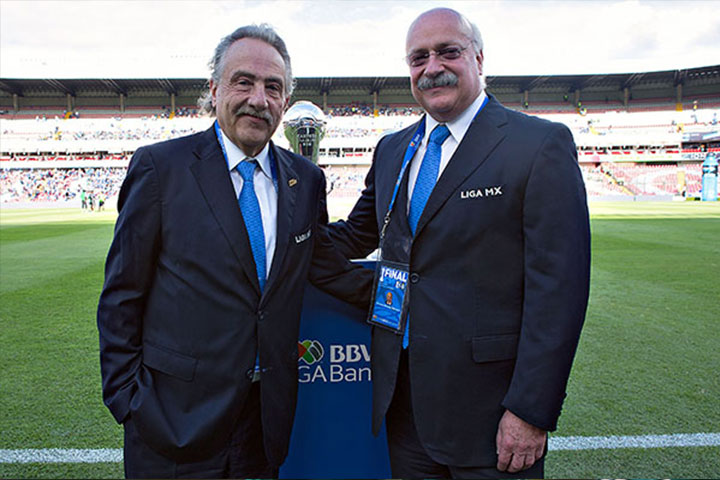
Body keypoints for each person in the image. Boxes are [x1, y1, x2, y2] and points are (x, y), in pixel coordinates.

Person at [97, 24, 371, 479]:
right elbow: (122, 294)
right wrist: (128, 398)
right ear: (214, 88)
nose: (258, 99)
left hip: (264, 422)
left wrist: (420, 292)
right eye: (244, 82)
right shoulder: (160, 167)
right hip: (172, 421)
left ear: (285, 101)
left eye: (273, 87)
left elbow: (324, 265)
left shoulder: (306, 180)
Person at [328, 8, 591, 478]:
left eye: (448, 52)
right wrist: (281, 232)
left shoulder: (537, 144)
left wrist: (530, 411)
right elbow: (354, 235)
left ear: (479, 58)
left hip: (492, 415)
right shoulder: (393, 149)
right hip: (404, 405)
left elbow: (560, 291)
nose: (433, 67)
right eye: (419, 58)